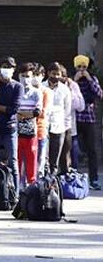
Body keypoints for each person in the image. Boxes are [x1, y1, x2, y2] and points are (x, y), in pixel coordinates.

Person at [0, 56, 23, 194]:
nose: (6, 70)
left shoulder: (17, 87)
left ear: (13, 69)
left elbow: (13, 110)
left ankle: (16, 194)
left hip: (9, 129)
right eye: (4, 67)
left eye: (9, 67)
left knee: (13, 162)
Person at [73, 55, 103, 189]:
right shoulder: (71, 81)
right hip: (75, 119)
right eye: (79, 67)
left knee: (92, 150)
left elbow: (99, 94)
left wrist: (90, 79)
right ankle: (72, 177)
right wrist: (75, 81)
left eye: (84, 67)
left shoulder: (93, 79)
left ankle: (94, 179)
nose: (82, 70)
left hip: (88, 118)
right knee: (73, 148)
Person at [16, 63, 42, 186]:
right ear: (18, 76)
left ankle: (32, 188)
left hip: (31, 133)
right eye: (23, 76)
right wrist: (26, 113)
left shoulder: (36, 93)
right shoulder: (15, 90)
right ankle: (17, 189)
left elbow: (37, 112)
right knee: (16, 163)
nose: (25, 79)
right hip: (16, 133)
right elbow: (12, 111)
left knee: (31, 164)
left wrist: (21, 114)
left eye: (28, 76)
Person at [45, 62, 72, 175]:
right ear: (48, 73)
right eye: (53, 73)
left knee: (55, 160)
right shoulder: (42, 87)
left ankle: (53, 183)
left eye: (58, 74)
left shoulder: (65, 90)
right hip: (44, 127)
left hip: (59, 127)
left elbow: (67, 110)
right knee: (44, 158)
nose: (55, 76)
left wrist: (66, 129)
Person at [59, 66, 84, 176]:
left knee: (72, 154)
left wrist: (70, 92)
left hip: (69, 126)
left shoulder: (73, 86)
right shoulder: (47, 85)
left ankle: (71, 177)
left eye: (63, 77)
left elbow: (81, 106)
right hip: (53, 127)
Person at [33, 63, 52, 176]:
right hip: (25, 132)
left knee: (40, 163)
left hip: (40, 131)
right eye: (33, 74)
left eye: (37, 74)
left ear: (42, 75)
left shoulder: (46, 92)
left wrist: (26, 114)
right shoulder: (24, 90)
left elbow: (43, 113)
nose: (35, 77)